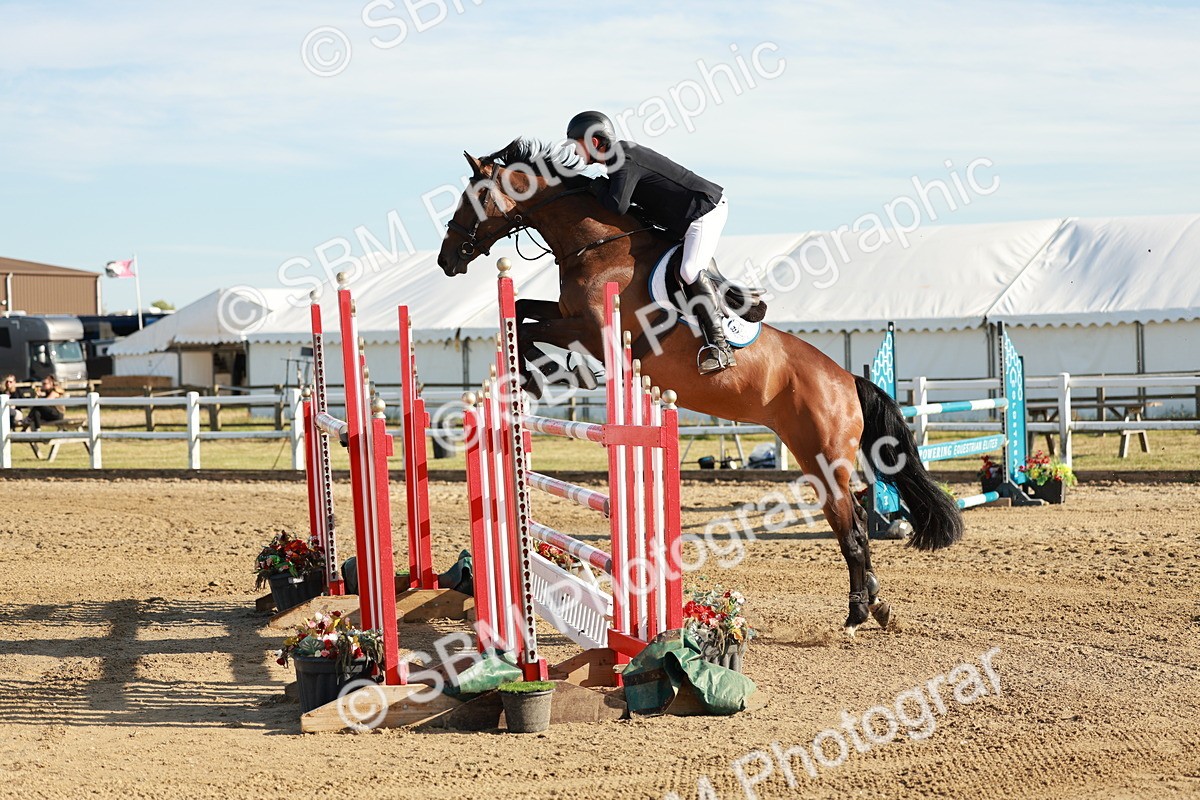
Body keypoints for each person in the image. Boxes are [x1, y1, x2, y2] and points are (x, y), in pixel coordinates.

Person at [566, 110, 735, 375]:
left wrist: (593, 186)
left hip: (703, 211)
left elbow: (617, 205)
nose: (575, 153)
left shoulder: (622, 158)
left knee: (689, 270)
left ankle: (719, 345)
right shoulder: (617, 159)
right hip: (680, 220)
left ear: (594, 142)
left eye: (577, 145)